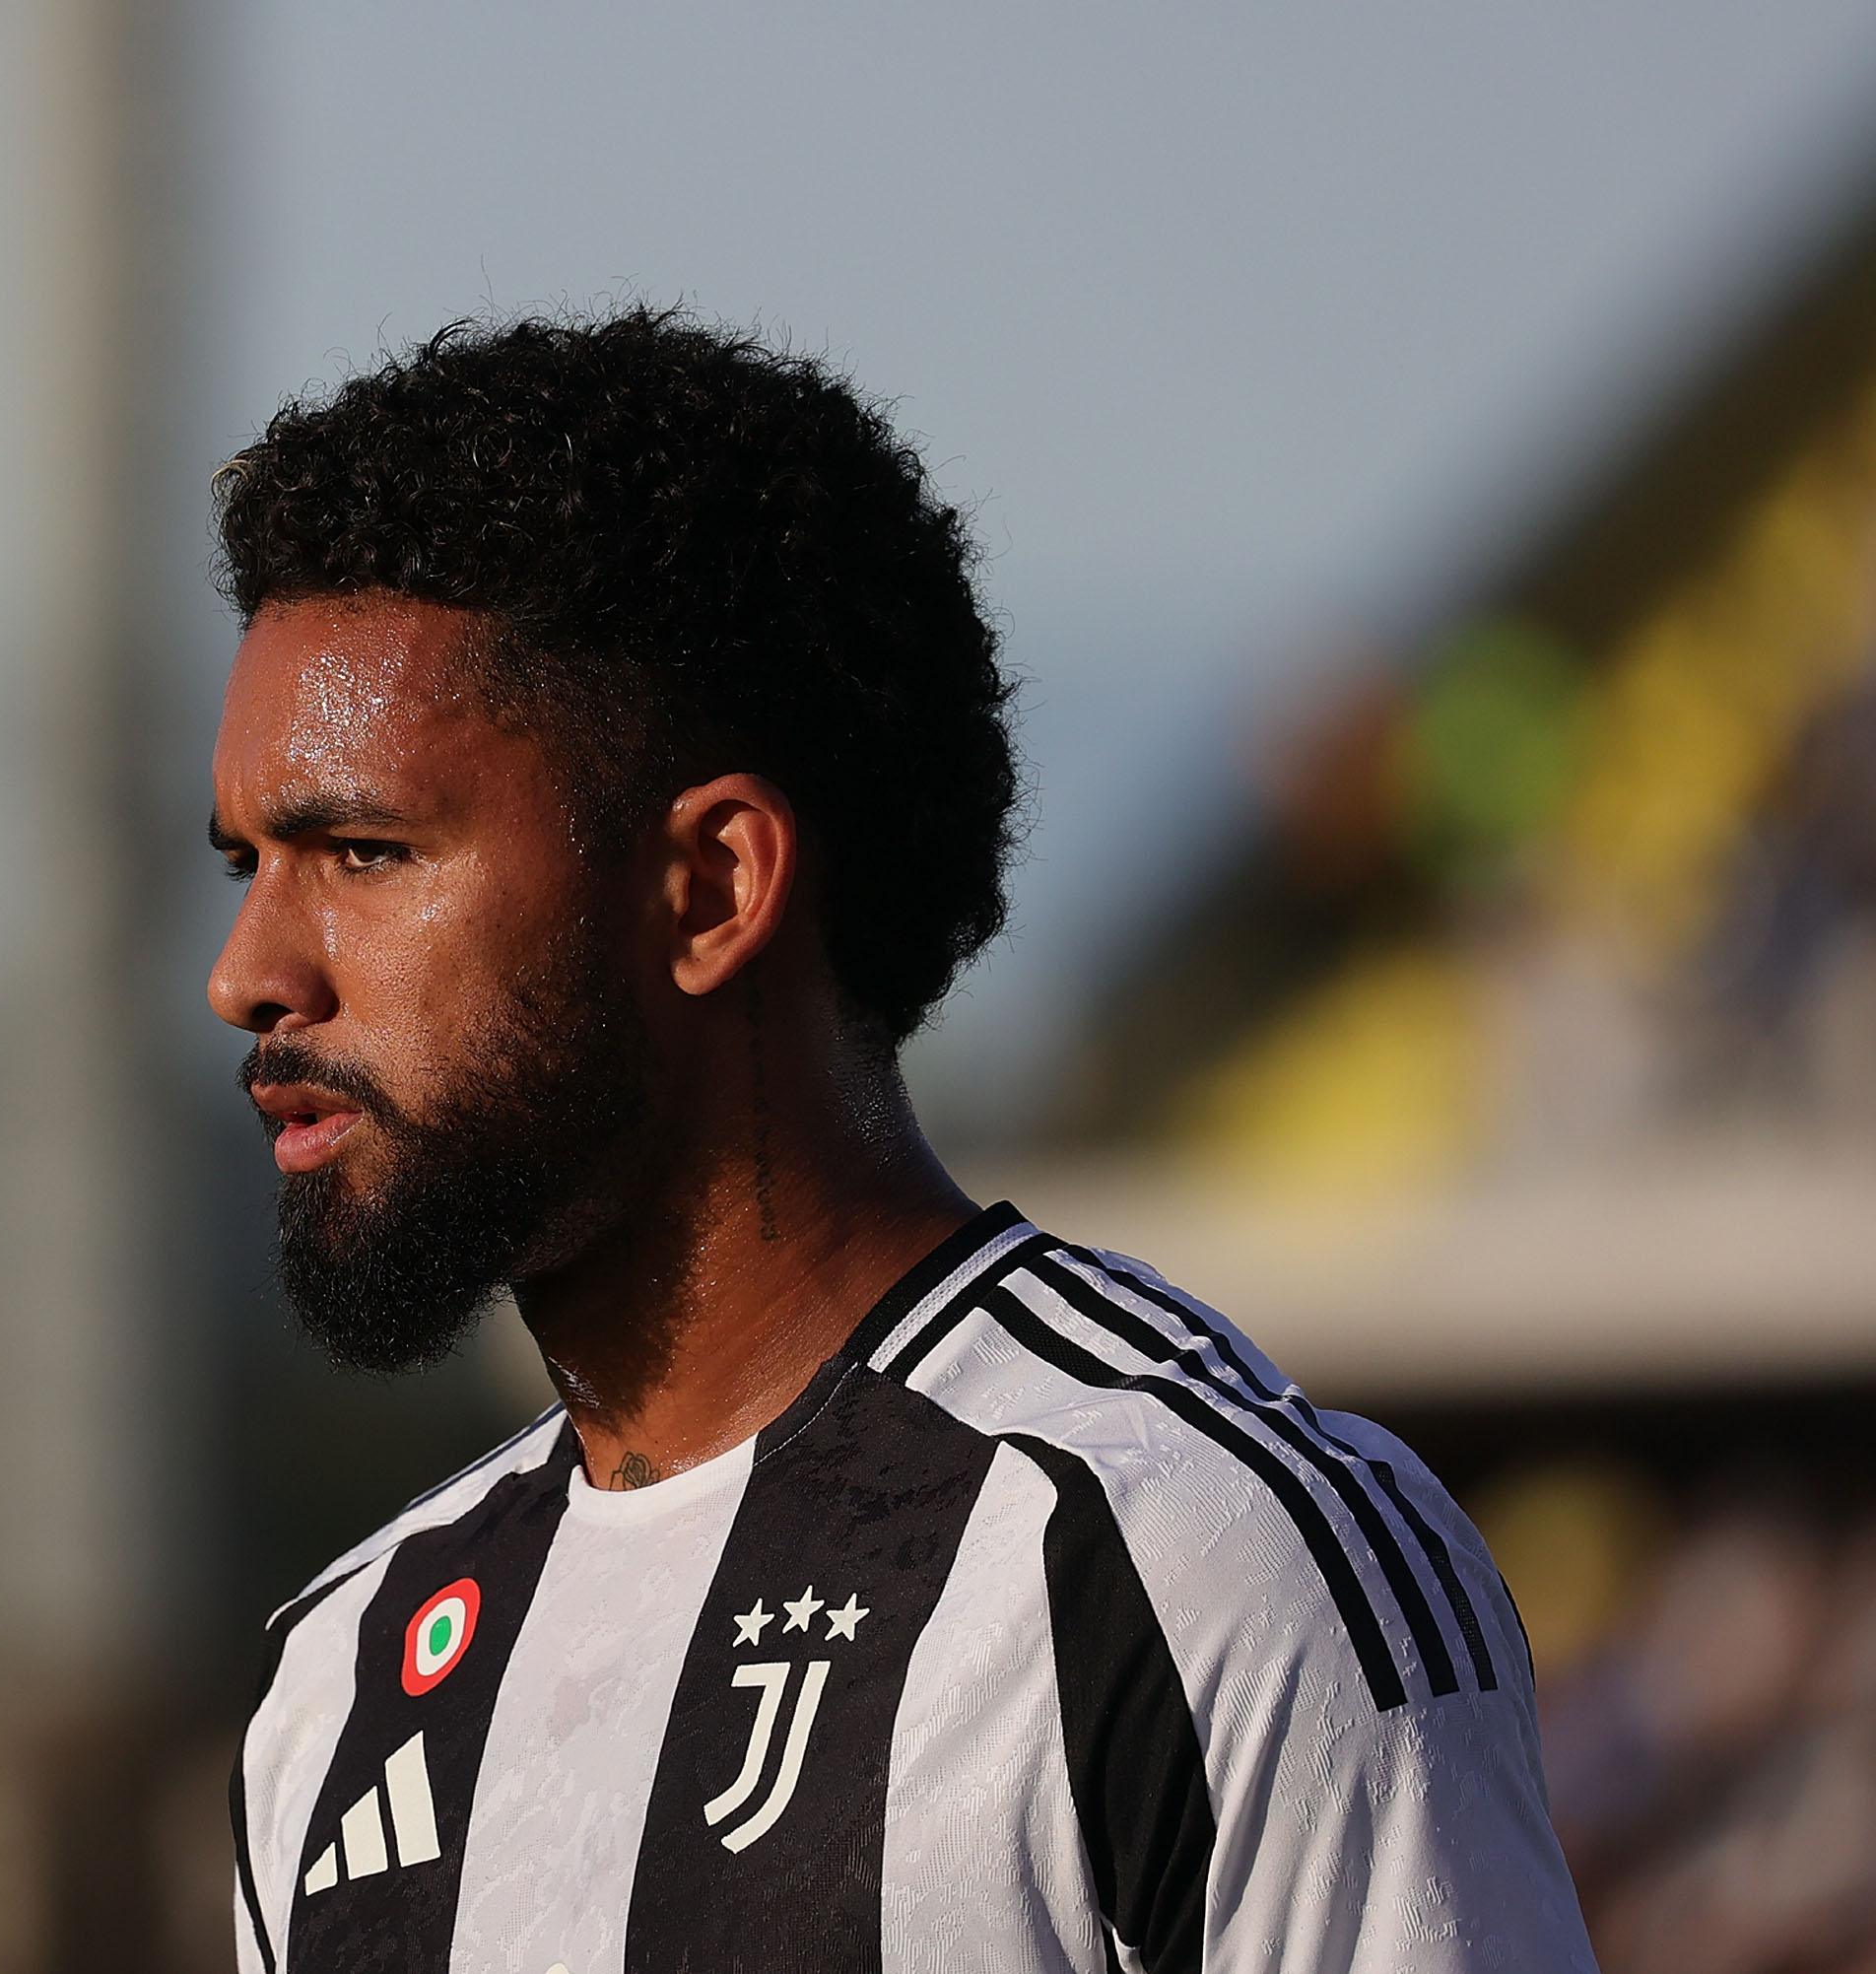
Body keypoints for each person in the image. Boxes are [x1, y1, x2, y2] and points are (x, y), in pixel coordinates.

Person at [206, 308, 1592, 1973]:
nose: (247, 975)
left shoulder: (1195, 1566)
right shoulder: (342, 1689)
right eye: (245, 865)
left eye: (358, 852)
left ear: (710, 888)